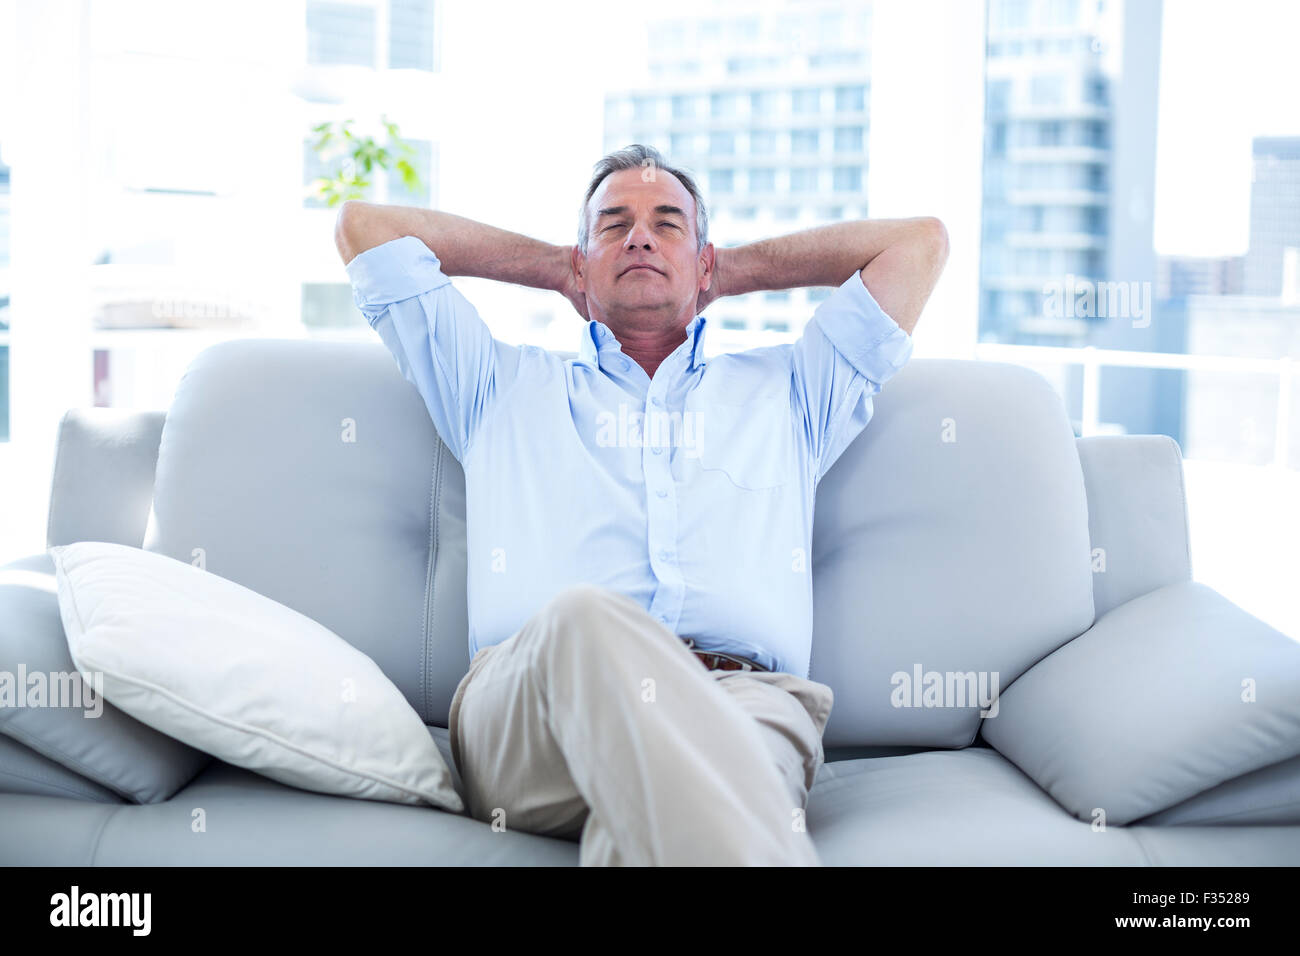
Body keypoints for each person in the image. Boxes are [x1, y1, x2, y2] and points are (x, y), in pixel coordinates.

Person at [335, 143, 948, 865]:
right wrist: (560, 268)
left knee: (664, 820)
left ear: (705, 259)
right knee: (586, 617)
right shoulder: (494, 385)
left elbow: (918, 246)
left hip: (742, 704)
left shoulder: (792, 392)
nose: (639, 237)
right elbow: (365, 227)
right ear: (581, 258)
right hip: (535, 705)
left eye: (667, 224)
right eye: (613, 225)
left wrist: (725, 272)